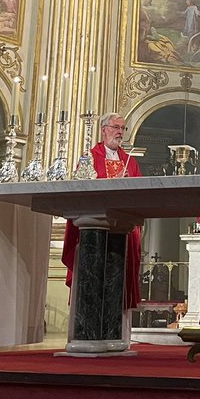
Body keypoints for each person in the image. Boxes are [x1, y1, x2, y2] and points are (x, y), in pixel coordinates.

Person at [60, 114, 144, 312]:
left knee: (120, 281)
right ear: (103, 130)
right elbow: (81, 189)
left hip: (123, 229)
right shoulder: (89, 157)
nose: (120, 133)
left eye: (123, 129)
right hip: (95, 226)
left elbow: (141, 191)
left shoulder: (129, 161)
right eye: (116, 127)